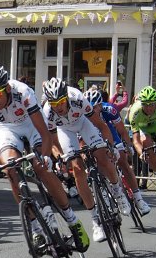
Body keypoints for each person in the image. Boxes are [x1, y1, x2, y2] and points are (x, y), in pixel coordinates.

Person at [0, 66, 90, 251]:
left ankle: (72, 220)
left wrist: (45, 157)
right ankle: (35, 228)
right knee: (10, 169)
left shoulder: (23, 92)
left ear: (6, 89)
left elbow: (45, 135)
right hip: (7, 129)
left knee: (41, 167)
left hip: (31, 124)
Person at [42, 78, 126, 245]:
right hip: (65, 131)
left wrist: (110, 146)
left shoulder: (78, 98)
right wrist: (59, 156)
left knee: (101, 156)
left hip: (84, 124)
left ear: (66, 97)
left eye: (60, 102)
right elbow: (51, 140)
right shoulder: (48, 112)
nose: (58, 106)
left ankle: (118, 192)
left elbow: (101, 125)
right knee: (78, 169)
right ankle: (96, 220)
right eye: (53, 103)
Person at [86, 90, 151, 215]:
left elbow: (122, 131)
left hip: (111, 137)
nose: (92, 111)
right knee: (98, 165)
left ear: (100, 105)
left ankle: (139, 199)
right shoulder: (83, 114)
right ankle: (104, 194)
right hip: (93, 139)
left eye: (95, 107)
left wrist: (128, 145)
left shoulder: (109, 110)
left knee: (123, 161)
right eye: (90, 108)